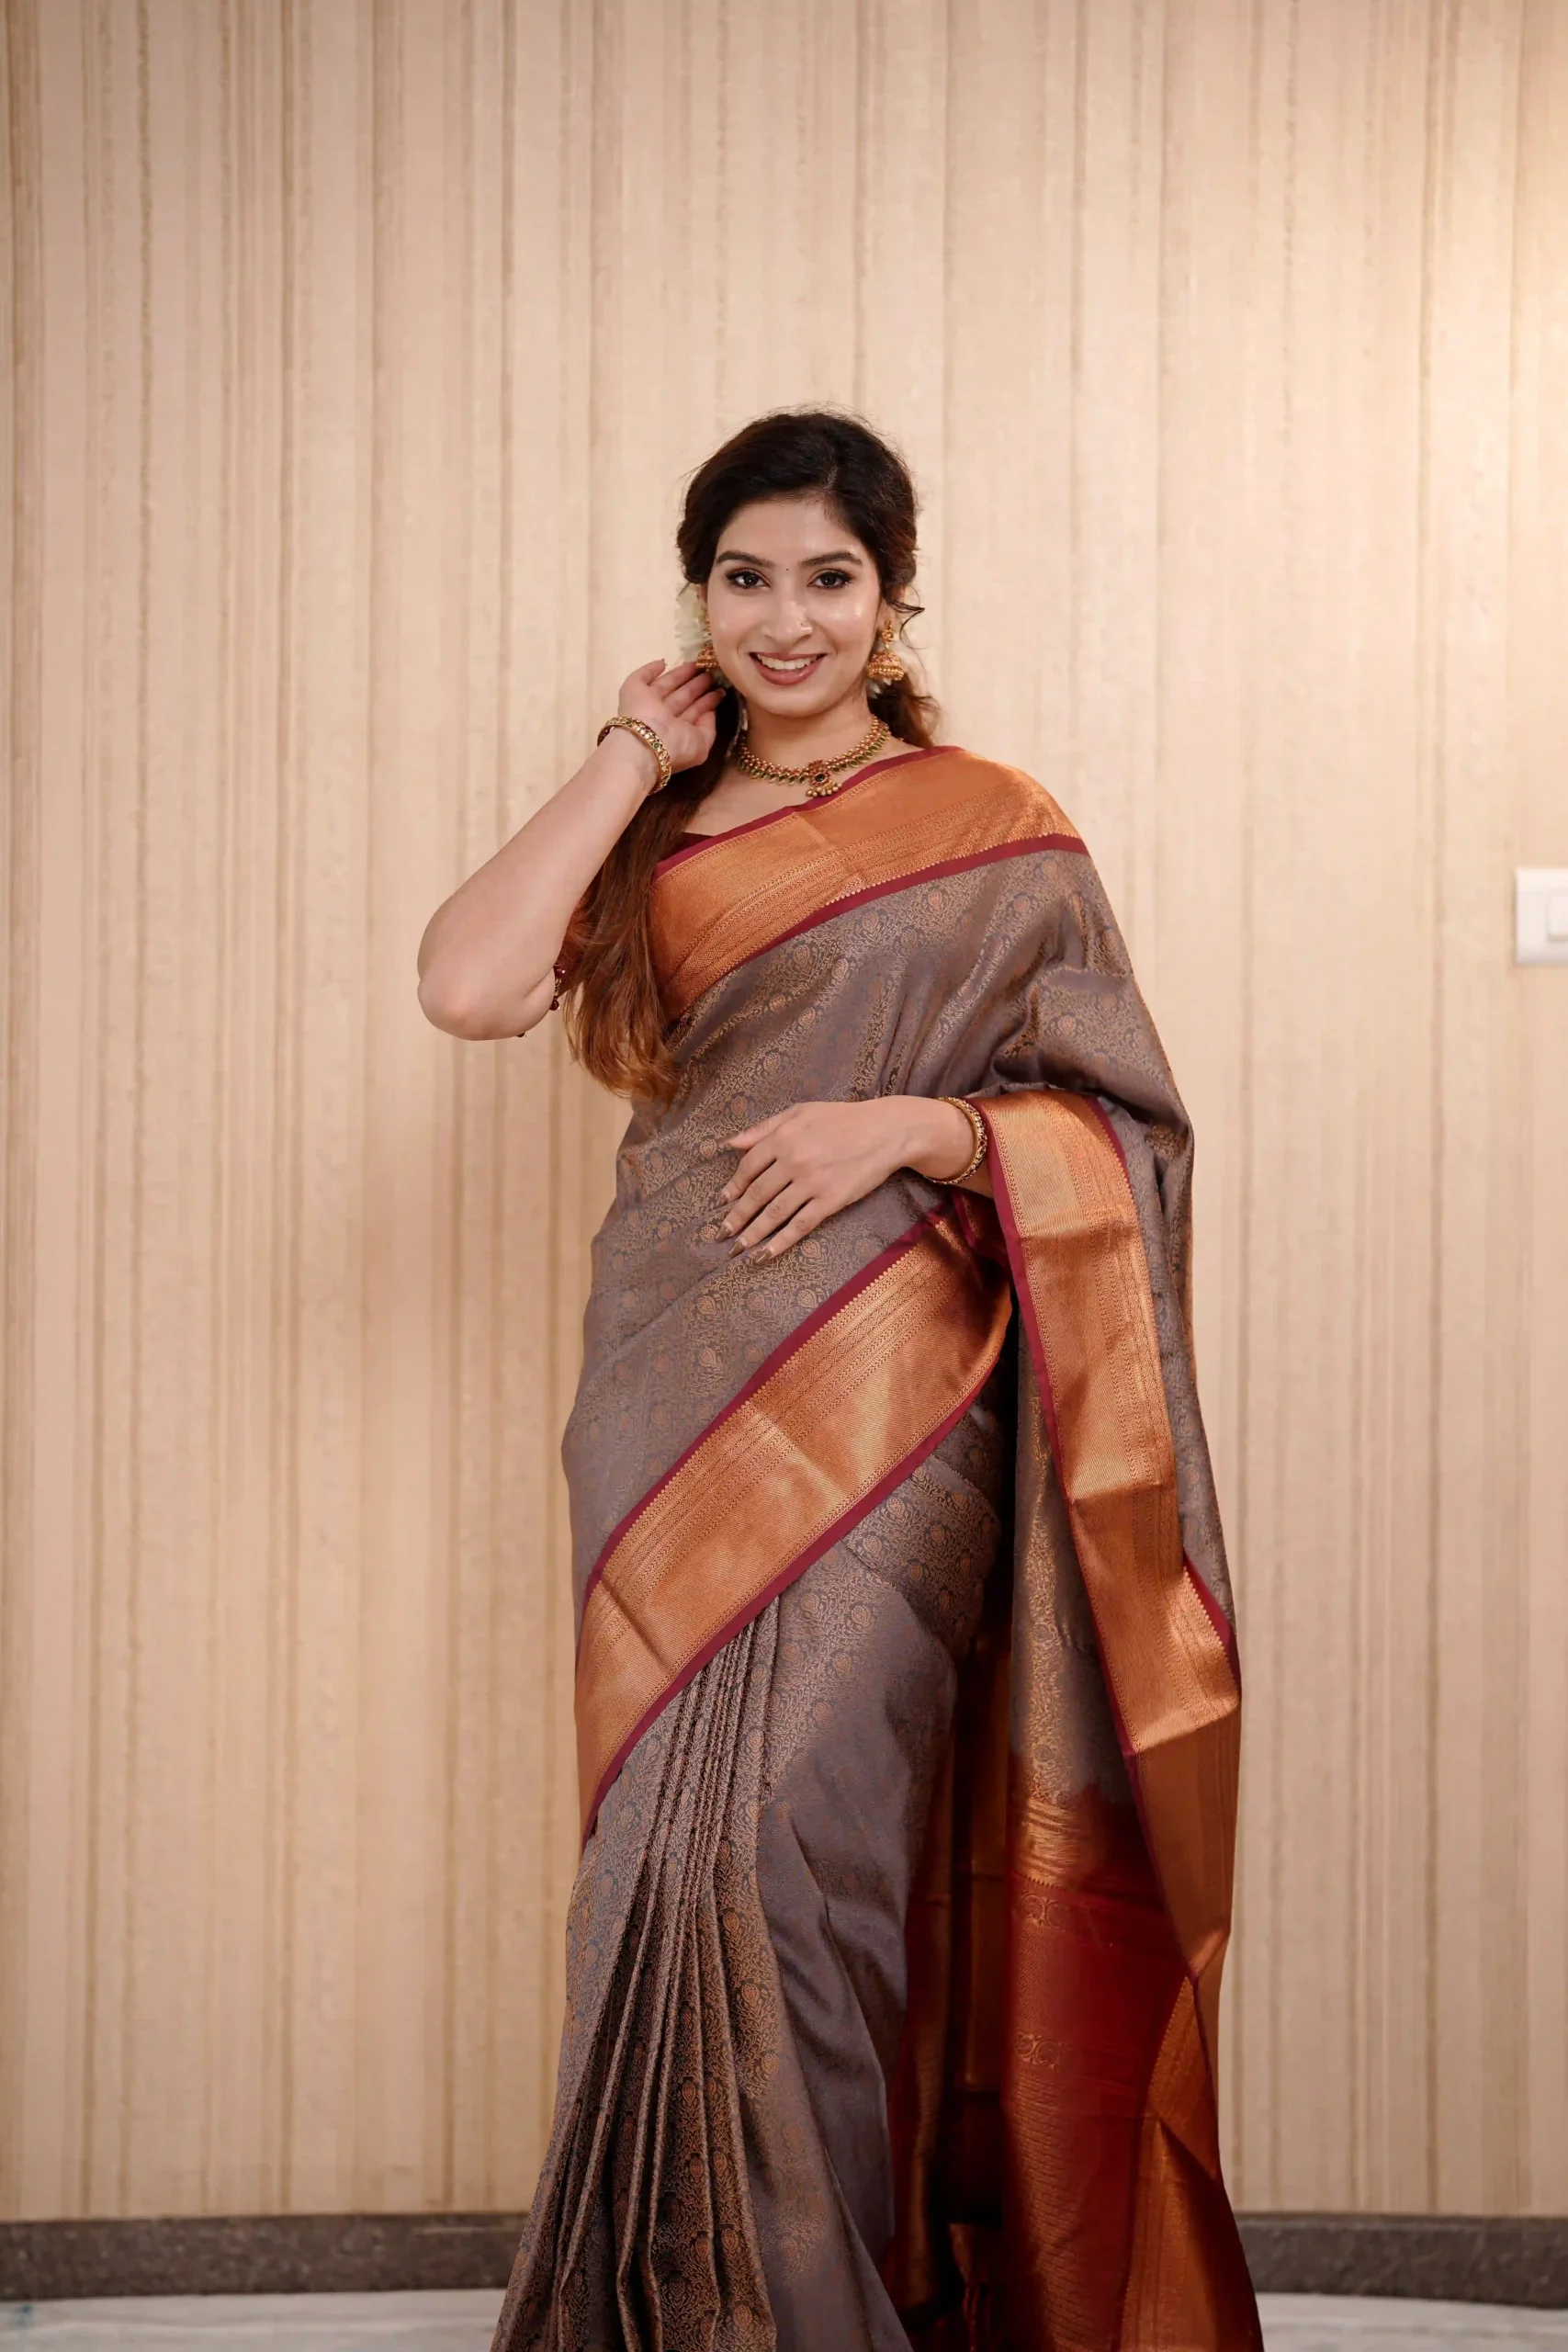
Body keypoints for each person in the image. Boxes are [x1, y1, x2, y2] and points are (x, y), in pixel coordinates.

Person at [417, 410, 1262, 2352]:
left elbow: (1126, 1128)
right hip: (664, 1380)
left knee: (803, 1848)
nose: (784, 619)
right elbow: (467, 985)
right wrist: (627, 750)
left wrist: (916, 1126)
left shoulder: (995, 827)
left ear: (892, 601)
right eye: (744, 578)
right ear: (697, 598)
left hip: (898, 1394)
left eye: (828, 578)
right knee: (659, 1856)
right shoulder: (657, 824)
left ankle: (807, 2310)